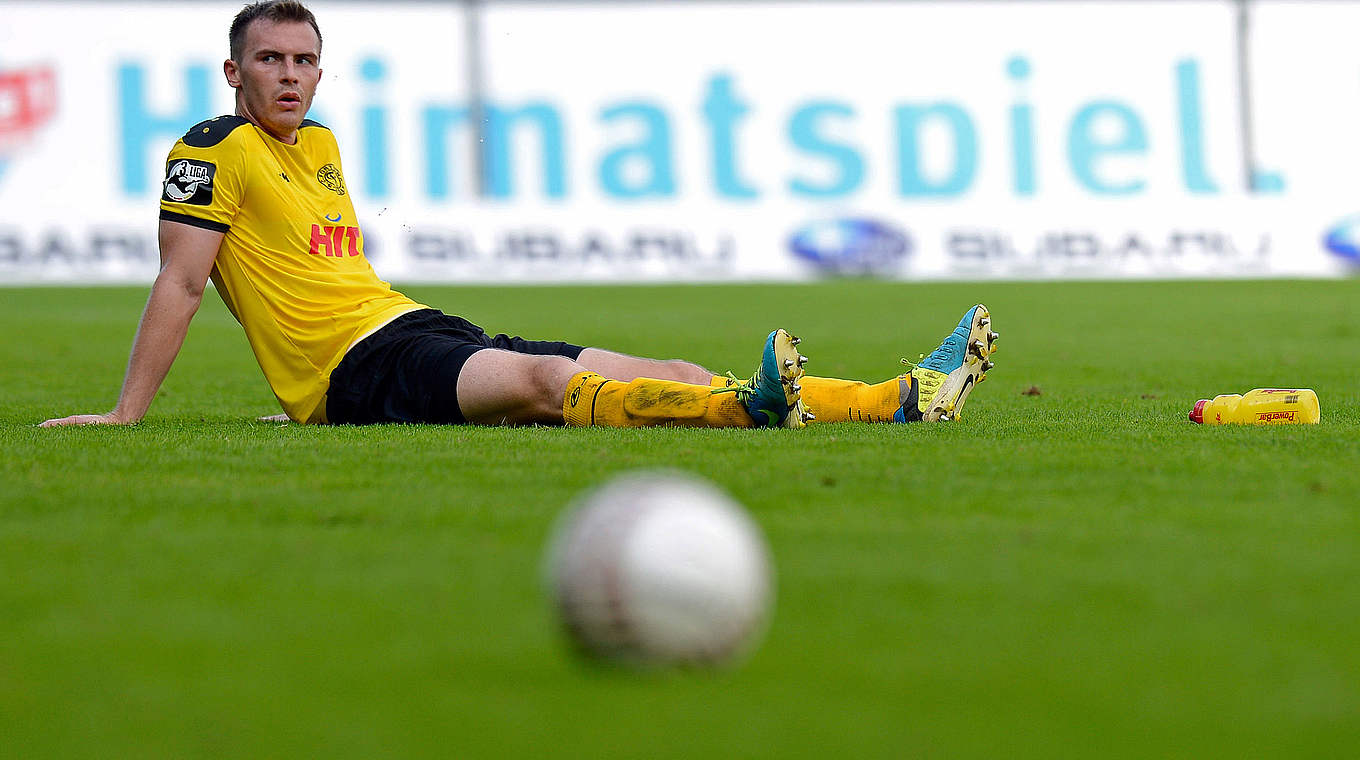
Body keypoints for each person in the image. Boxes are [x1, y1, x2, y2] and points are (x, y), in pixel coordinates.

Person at [40, 0, 997, 431]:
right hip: (357, 372)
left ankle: (899, 397)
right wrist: (128, 415)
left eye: (303, 60)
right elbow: (183, 278)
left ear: (319, 70)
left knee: (659, 368)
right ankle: (747, 412)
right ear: (234, 71)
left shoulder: (321, 144)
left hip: (411, 328)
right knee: (547, 382)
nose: (289, 75)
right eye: (270, 60)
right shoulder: (211, 150)